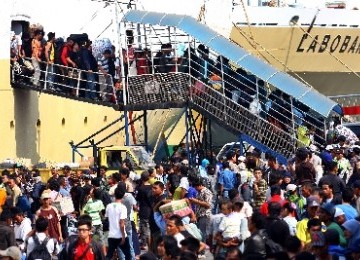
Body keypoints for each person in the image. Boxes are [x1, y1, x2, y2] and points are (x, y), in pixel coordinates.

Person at [105, 185, 131, 259]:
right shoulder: (123, 207)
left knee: (109, 255)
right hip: (120, 235)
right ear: (123, 196)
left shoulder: (109, 206)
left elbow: (107, 217)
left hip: (112, 234)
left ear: (114, 194)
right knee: (128, 255)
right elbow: (122, 223)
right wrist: (123, 236)